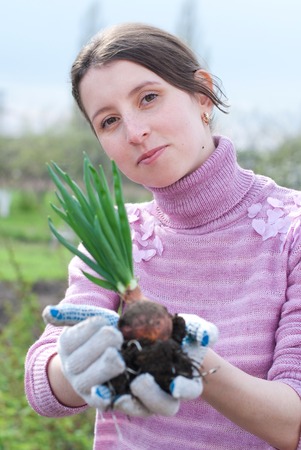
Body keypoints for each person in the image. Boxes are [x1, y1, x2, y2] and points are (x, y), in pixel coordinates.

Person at [25, 22, 301, 449]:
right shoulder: (115, 234)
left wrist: (188, 358)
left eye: (148, 98)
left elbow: (292, 422)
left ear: (202, 95)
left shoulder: (291, 231)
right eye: (110, 121)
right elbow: (45, 387)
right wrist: (73, 368)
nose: (135, 132)